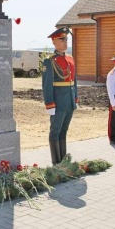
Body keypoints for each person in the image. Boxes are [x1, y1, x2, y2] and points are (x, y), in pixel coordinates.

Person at [42, 27, 78, 165]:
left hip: (69, 101)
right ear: (54, 42)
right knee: (55, 131)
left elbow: (74, 81)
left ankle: (63, 161)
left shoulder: (70, 58)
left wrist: (75, 98)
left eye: (66, 39)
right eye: (62, 39)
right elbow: (47, 85)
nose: (65, 42)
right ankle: (56, 162)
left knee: (64, 130)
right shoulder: (49, 61)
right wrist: (49, 104)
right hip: (58, 102)